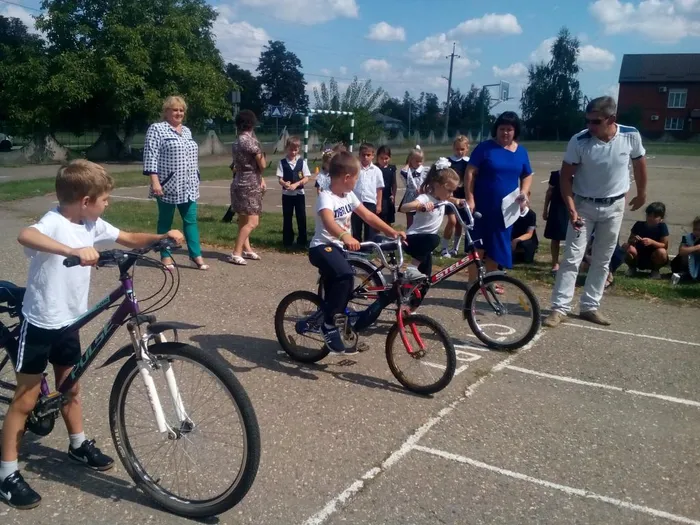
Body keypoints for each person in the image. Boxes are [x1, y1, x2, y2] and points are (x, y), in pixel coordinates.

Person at [0, 160, 184, 510]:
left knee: (70, 386)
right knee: (25, 400)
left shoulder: (91, 223)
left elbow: (127, 238)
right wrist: (73, 251)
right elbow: (26, 235)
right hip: (42, 322)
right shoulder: (54, 222)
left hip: (70, 322)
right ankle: (7, 474)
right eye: (104, 199)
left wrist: (160, 238)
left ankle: (78, 444)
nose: (108, 203)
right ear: (85, 201)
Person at [544, 96, 648, 328]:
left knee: (603, 258)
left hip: (615, 206)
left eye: (596, 121)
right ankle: (559, 308)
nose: (590, 126)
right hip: (584, 206)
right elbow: (565, 177)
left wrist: (642, 193)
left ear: (612, 119)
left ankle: (590, 306)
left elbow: (639, 164)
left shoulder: (630, 135)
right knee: (572, 257)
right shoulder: (579, 141)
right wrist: (571, 208)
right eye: (588, 120)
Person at [308, 151, 404, 354]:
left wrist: (392, 232)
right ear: (346, 178)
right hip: (322, 247)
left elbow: (368, 216)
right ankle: (328, 326)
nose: (357, 181)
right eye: (356, 178)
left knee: (346, 286)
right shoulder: (326, 197)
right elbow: (328, 221)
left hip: (338, 248)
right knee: (345, 274)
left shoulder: (348, 196)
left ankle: (334, 321)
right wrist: (345, 236)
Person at [464, 112, 533, 290]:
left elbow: (527, 174)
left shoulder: (521, 151)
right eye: (502, 129)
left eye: (509, 129)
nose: (505, 133)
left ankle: (490, 281)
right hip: (482, 206)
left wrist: (524, 192)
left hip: (506, 209)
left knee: (497, 246)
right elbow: (470, 172)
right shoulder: (485, 148)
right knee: (477, 245)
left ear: (515, 131)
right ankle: (472, 283)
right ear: (496, 129)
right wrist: (470, 198)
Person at [143, 95, 207, 270]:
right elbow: (150, 156)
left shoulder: (186, 131)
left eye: (181, 110)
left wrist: (196, 177)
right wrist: (155, 182)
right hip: (167, 185)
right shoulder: (157, 129)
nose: (179, 113)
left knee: (191, 220)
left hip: (189, 185)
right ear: (166, 112)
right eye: (175, 110)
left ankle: (196, 255)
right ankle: (165, 256)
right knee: (165, 222)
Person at [399, 158, 461, 279]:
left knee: (425, 278)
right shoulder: (425, 198)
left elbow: (452, 199)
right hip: (414, 239)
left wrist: (459, 201)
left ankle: (406, 287)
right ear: (437, 185)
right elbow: (404, 207)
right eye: (449, 191)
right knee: (435, 239)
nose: (451, 194)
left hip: (425, 245)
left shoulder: (442, 198)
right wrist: (420, 206)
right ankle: (411, 268)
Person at [228, 110, 267, 266]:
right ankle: (236, 252)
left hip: (239, 181)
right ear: (252, 124)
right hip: (250, 184)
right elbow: (262, 164)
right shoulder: (251, 142)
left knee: (243, 219)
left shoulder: (236, 142)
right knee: (253, 221)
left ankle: (247, 249)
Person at [277, 136, 310, 248]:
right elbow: (280, 179)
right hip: (287, 195)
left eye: (295, 150)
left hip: (299, 194)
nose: (293, 152)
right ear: (287, 148)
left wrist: (296, 184)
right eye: (291, 150)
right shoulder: (282, 162)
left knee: (301, 217)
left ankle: (302, 241)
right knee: (287, 217)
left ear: (298, 149)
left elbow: (306, 177)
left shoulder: (302, 162)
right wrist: (284, 183)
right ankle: (287, 241)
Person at [622, 202, 669, 279]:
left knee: (662, 252)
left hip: (653, 257)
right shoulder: (639, 224)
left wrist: (652, 242)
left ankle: (655, 271)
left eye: (655, 217)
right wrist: (634, 240)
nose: (651, 218)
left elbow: (665, 245)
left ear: (661, 218)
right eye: (649, 215)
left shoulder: (662, 227)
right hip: (638, 255)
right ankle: (632, 268)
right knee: (626, 246)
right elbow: (629, 241)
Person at [441, 135, 471, 257]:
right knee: (452, 221)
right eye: (457, 149)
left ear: (467, 148)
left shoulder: (469, 162)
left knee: (460, 223)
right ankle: (444, 248)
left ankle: (455, 249)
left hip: (464, 196)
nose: (459, 152)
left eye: (462, 149)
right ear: (453, 148)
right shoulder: (448, 162)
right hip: (450, 196)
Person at [351, 143, 385, 242]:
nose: (365, 157)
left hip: (370, 202)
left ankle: (368, 246)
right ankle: (356, 245)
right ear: (359, 155)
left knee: (369, 228)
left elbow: (379, 188)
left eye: (368, 155)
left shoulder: (377, 171)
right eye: (363, 155)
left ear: (373, 156)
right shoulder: (355, 169)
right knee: (356, 227)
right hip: (356, 202)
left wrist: (379, 204)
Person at [543, 169, 569, 276]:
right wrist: (545, 209)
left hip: (573, 208)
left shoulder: (579, 176)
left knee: (573, 238)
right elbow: (549, 192)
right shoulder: (556, 175)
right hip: (557, 208)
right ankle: (555, 263)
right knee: (555, 237)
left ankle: (568, 263)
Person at [399, 147, 426, 229]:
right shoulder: (408, 171)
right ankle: (410, 234)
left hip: (421, 197)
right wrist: (408, 164)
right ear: (411, 160)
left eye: (420, 161)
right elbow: (402, 173)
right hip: (410, 197)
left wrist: (423, 189)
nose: (419, 163)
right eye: (416, 161)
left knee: (421, 220)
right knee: (410, 221)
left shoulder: (424, 170)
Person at [670, 216, 700, 282]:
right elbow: (681, 251)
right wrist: (696, 247)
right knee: (684, 256)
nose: (697, 232)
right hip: (687, 264)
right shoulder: (688, 237)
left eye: (699, 230)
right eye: (695, 229)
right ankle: (683, 273)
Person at [511, 195, 539, 264]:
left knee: (527, 259)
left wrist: (516, 240)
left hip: (526, 238)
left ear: (526, 202)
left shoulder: (531, 214)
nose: (520, 203)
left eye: (522, 200)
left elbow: (529, 234)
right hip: (513, 236)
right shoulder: (511, 213)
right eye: (518, 200)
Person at [376, 145, 397, 226]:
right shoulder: (374, 168)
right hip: (377, 196)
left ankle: (388, 232)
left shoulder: (392, 168)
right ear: (377, 157)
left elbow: (394, 183)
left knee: (388, 219)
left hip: (387, 196)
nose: (384, 160)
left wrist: (393, 195)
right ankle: (376, 233)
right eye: (381, 158)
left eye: (386, 158)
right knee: (377, 219)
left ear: (389, 158)